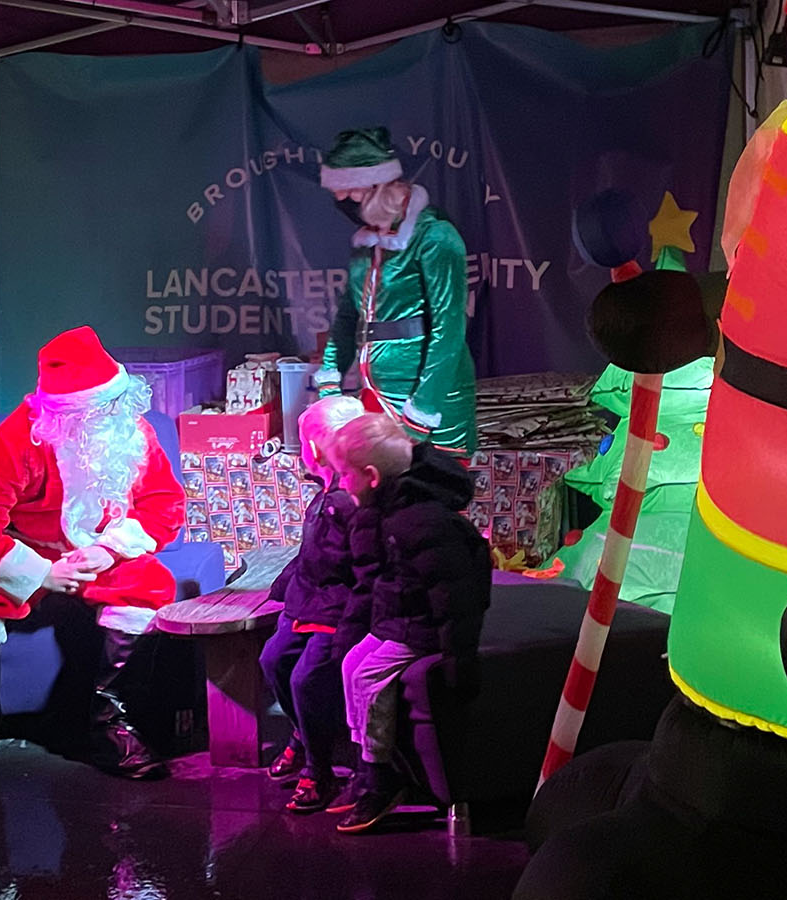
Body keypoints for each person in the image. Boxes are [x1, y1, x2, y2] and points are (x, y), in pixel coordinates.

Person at [0, 326, 185, 790]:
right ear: (64, 414)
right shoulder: (20, 439)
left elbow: (165, 507)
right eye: (98, 408)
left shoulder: (133, 430)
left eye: (114, 403)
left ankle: (112, 726)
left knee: (152, 582)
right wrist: (42, 572)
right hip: (32, 554)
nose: (111, 414)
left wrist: (108, 551)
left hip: (102, 558)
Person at [329, 414, 491, 833]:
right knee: (351, 665)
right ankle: (365, 764)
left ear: (371, 476)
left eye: (344, 475)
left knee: (367, 677)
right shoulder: (386, 508)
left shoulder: (419, 521)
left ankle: (381, 777)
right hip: (399, 617)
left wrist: (459, 657)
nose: (341, 484)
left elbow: (453, 593)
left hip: (421, 627)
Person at [316, 127, 478, 456]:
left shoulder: (435, 238)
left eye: (350, 193)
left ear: (378, 187)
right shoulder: (366, 243)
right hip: (375, 398)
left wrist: (421, 413)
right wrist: (330, 382)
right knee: (384, 498)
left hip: (430, 406)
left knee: (430, 499)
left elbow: (448, 329)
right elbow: (349, 315)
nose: (341, 203)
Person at [258, 395, 368, 812]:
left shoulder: (349, 500)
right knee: (274, 659)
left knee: (307, 678)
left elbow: (346, 564)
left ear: (317, 448)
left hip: (337, 607)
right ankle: (303, 734)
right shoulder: (325, 493)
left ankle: (320, 770)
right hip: (309, 598)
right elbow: (311, 555)